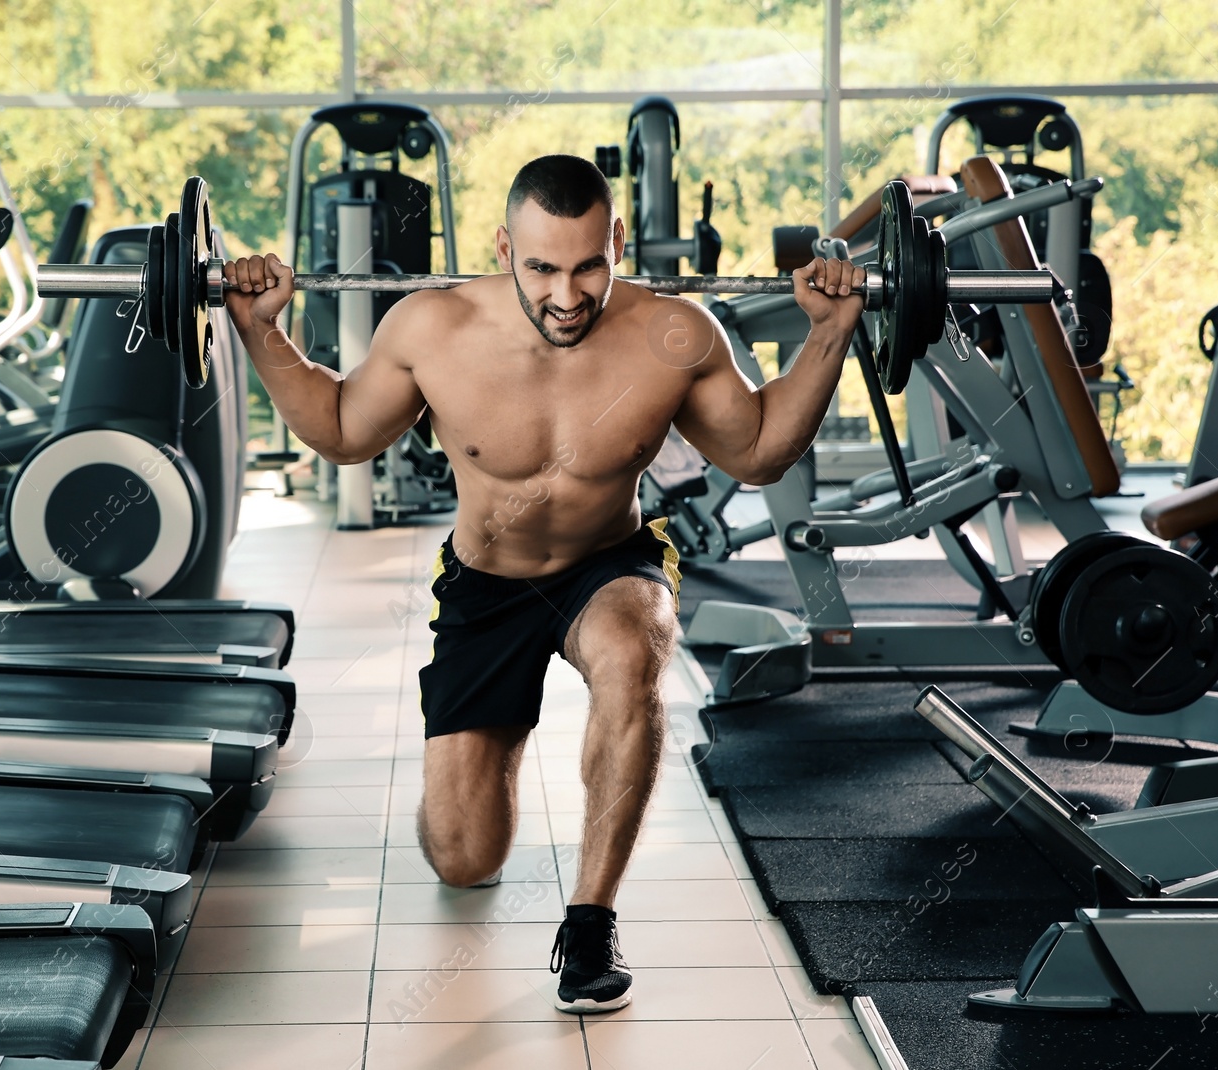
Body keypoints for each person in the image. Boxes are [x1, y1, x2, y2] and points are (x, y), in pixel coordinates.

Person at [224, 153, 864, 1013]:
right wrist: (261, 329)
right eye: (542, 268)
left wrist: (829, 334)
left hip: (610, 563)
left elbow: (756, 450)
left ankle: (590, 925)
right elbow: (341, 430)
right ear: (502, 249)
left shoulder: (676, 334)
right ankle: (486, 761)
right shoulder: (432, 329)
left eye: (590, 265)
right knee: (463, 856)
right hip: (488, 586)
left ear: (618, 243)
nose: (568, 295)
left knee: (635, 652)